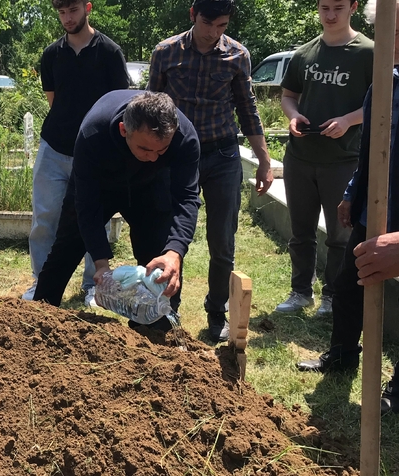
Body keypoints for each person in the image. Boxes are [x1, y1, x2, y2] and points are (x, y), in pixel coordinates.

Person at [297, 0, 399, 416]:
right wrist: (352, 193)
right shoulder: (384, 81)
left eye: (394, 33)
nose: (385, 44)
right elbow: (370, 151)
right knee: (349, 285)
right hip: (374, 208)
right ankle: (344, 354)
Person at [148, 0, 273, 342]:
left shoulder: (237, 55)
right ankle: (167, 308)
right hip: (176, 154)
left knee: (222, 239)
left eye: (222, 26)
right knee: (172, 234)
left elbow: (248, 108)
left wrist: (263, 160)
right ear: (193, 15)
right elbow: (151, 105)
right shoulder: (166, 52)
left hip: (221, 153)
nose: (214, 33)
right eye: (208, 23)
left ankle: (216, 311)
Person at [32, 90, 201, 330]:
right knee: (64, 251)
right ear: (124, 130)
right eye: (145, 149)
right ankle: (36, 324)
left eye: (161, 151)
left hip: (151, 187)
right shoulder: (93, 133)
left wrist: (175, 252)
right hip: (100, 185)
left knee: (160, 261)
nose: (152, 157)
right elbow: (87, 205)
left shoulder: (184, 137)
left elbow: (187, 198)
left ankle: (157, 334)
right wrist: (101, 264)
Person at [23, 0, 130, 307]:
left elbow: (119, 103)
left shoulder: (110, 53)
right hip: (54, 147)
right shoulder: (51, 55)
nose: (67, 19)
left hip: (95, 154)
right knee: (45, 216)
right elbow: (53, 100)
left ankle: (91, 285)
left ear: (87, 8)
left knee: (92, 217)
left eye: (73, 11)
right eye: (61, 13)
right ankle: (41, 281)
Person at [276, 0, 373, 316]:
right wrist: (292, 116)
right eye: (324, 8)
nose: (330, 15)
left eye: (338, 8)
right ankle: (300, 291)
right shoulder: (305, 53)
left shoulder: (368, 52)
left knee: (339, 235)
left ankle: (331, 296)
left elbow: (380, 100)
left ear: (353, 7)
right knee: (300, 231)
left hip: (343, 159)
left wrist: (347, 120)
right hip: (300, 157)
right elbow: (288, 96)